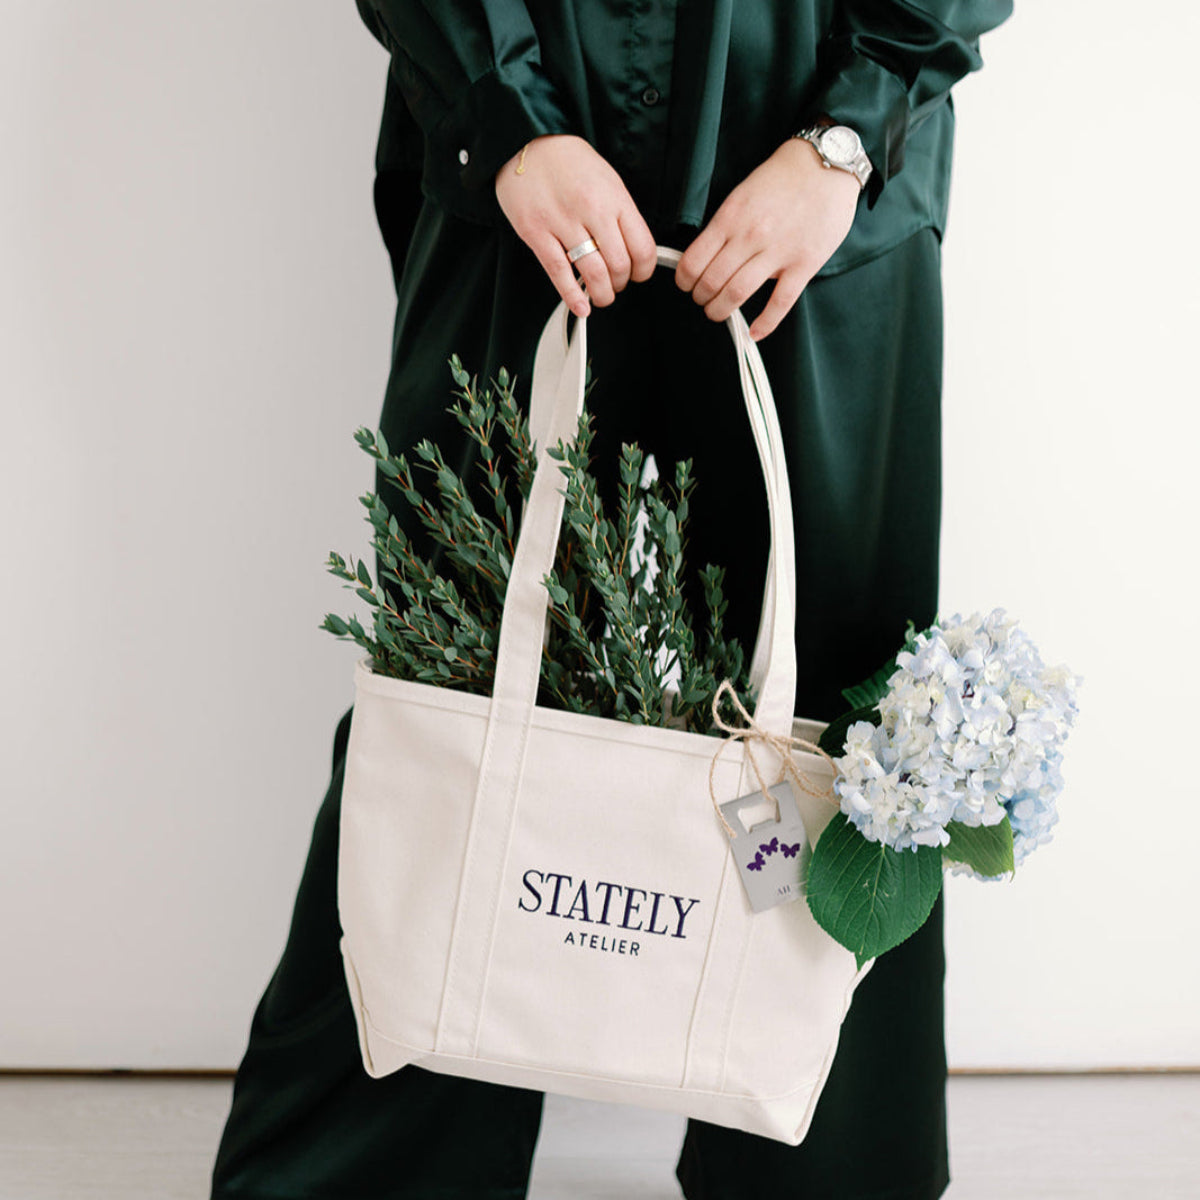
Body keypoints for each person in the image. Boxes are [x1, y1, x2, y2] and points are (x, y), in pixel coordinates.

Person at [210, 2, 1013, 1197]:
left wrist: (846, 133)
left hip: (815, 169)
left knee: (828, 744)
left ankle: (811, 1160)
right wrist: (508, 118)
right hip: (519, 167)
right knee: (460, 690)